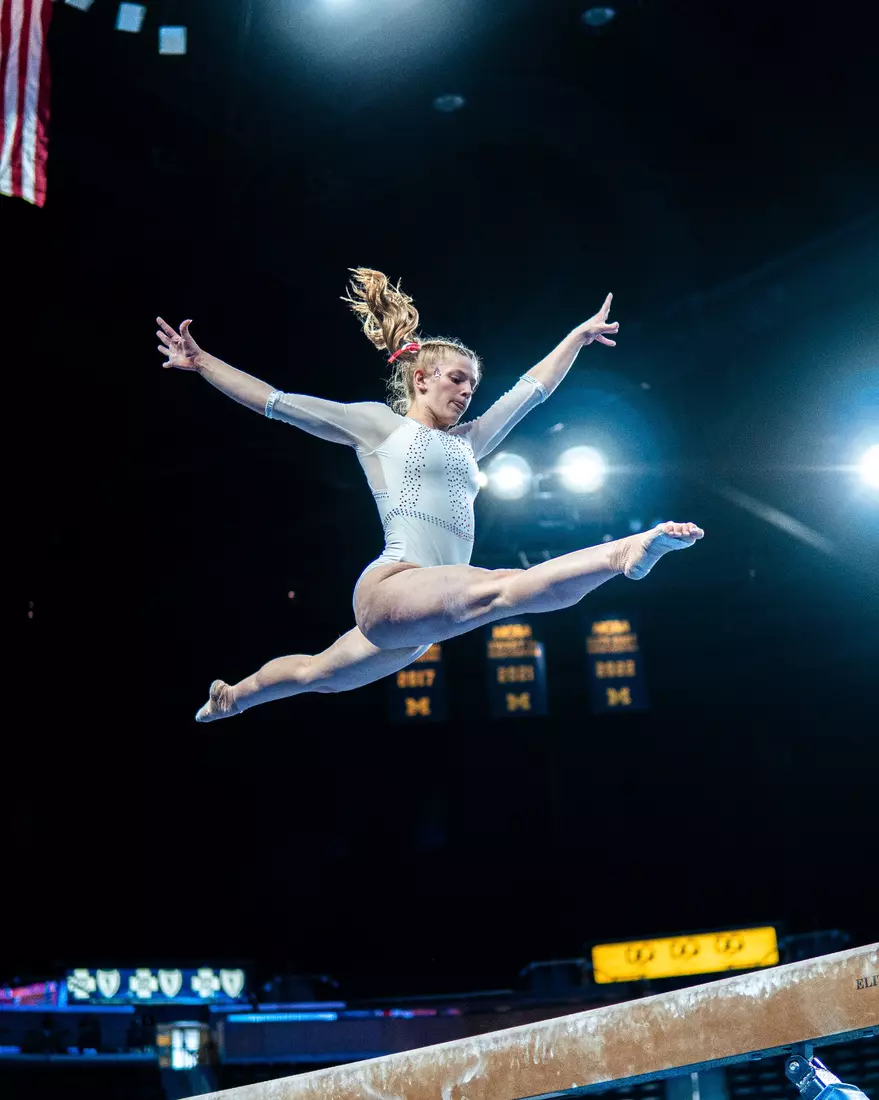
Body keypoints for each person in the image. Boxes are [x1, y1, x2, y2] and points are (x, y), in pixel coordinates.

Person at [156, 268, 703, 722]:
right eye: (457, 379)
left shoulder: (470, 442)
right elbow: (278, 402)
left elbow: (530, 392)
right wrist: (202, 362)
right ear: (421, 377)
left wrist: (576, 339)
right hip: (394, 586)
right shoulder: (378, 427)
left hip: (418, 619)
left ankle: (235, 696)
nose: (467, 393)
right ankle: (619, 553)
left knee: (317, 675)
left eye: (472, 386)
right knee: (502, 589)